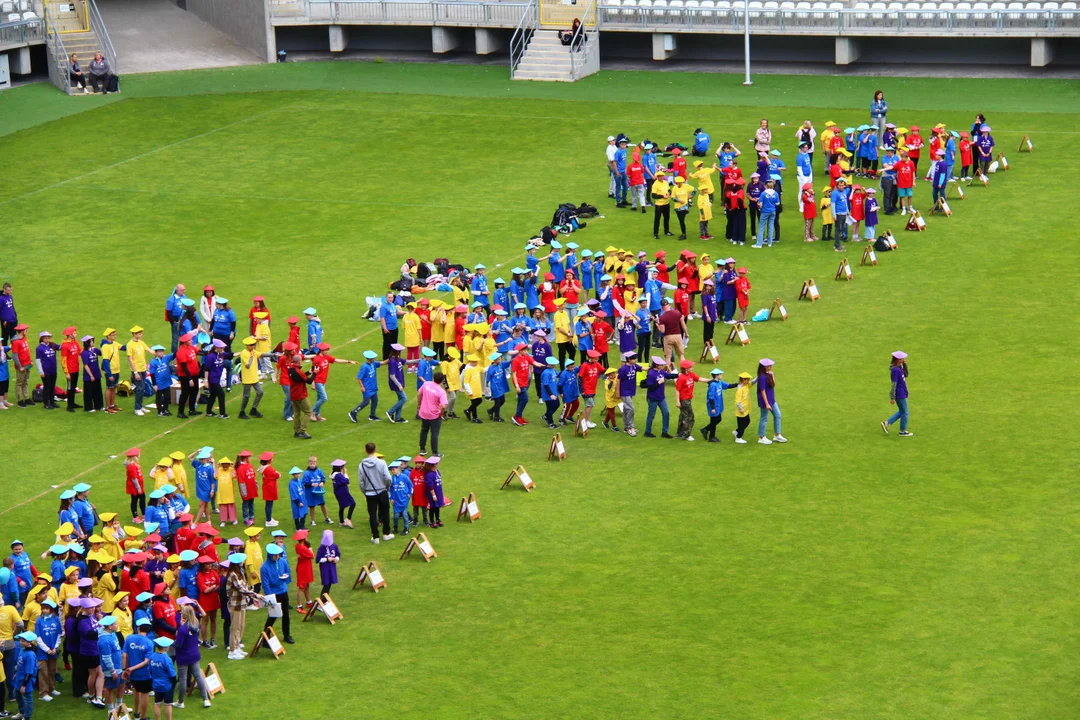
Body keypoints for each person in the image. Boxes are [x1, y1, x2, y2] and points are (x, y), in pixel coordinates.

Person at [357, 443, 394, 545]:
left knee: (372, 514)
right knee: (385, 512)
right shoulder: (382, 463)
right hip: (382, 490)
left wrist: (365, 492)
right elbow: (388, 478)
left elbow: (361, 482)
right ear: (375, 450)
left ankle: (375, 536)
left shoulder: (361, 465)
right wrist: (387, 486)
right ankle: (386, 534)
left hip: (370, 493)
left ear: (365, 450)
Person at [223, 554, 257, 660]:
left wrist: (250, 596)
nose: (243, 562)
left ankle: (237, 646)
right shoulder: (233, 575)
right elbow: (240, 588)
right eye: (242, 561)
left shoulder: (241, 572)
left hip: (242, 603)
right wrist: (254, 594)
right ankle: (232, 650)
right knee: (235, 628)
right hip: (235, 604)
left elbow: (245, 586)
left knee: (241, 626)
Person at [259, 544, 293, 645]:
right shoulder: (264, 567)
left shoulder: (282, 561)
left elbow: (287, 572)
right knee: (273, 616)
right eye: (275, 555)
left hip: (283, 591)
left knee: (286, 615)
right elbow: (265, 584)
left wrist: (285, 578)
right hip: (273, 594)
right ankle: (265, 637)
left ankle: (286, 635)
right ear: (270, 555)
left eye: (278, 555)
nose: (277, 557)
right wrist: (271, 598)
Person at [122, 617, 154, 717]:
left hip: (132, 674)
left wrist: (126, 669)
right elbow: (146, 661)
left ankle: (136, 713)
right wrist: (132, 668)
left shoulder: (129, 638)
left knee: (136, 691)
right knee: (145, 694)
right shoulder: (149, 643)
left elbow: (124, 656)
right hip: (145, 674)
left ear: (138, 628)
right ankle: (143, 717)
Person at [643, 356, 677, 439]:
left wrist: (678, 375)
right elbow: (650, 387)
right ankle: (647, 432)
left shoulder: (661, 371)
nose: (662, 366)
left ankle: (665, 432)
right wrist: (659, 382)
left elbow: (669, 376)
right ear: (656, 365)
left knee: (666, 413)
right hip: (653, 398)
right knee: (651, 415)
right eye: (661, 365)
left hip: (662, 398)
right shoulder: (651, 374)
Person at [882, 350, 913, 437]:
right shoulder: (895, 370)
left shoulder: (900, 367)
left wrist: (905, 365)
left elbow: (906, 375)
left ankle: (886, 423)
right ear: (898, 359)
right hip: (900, 394)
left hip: (902, 392)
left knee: (902, 411)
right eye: (902, 358)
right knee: (905, 413)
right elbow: (893, 384)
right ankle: (902, 431)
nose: (904, 359)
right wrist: (892, 397)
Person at [674, 359, 706, 441]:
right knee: (690, 417)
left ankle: (679, 433)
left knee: (683, 416)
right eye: (691, 367)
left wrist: (710, 380)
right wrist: (677, 401)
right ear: (686, 369)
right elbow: (677, 390)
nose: (692, 368)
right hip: (684, 400)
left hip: (688, 399)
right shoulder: (681, 378)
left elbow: (699, 379)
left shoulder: (691, 374)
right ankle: (686, 435)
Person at [756, 358, 786, 445]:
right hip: (766, 401)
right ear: (764, 367)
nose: (771, 366)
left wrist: (773, 376)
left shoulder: (769, 374)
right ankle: (761, 437)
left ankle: (777, 435)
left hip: (771, 400)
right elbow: (762, 391)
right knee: (764, 418)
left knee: (778, 415)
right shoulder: (762, 377)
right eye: (769, 365)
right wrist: (767, 404)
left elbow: (773, 385)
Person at [286, 354, 316, 439]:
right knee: (308, 411)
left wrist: (308, 372)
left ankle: (297, 431)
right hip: (300, 395)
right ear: (299, 361)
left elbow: (299, 378)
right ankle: (303, 431)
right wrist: (315, 374)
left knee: (296, 414)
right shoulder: (299, 372)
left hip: (293, 394)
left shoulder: (290, 369)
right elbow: (309, 381)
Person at [236, 337, 264, 420]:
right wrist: (251, 357)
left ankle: (254, 409)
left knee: (260, 392)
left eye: (254, 345)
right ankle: (241, 412)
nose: (253, 346)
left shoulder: (254, 352)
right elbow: (248, 366)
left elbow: (262, 354)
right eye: (252, 345)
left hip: (254, 378)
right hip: (247, 379)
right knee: (246, 396)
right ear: (247, 346)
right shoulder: (244, 353)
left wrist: (274, 354)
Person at [126, 325, 151, 416]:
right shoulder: (130, 344)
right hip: (137, 370)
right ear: (134, 334)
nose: (141, 335)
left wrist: (158, 353)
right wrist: (135, 372)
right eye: (139, 333)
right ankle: (137, 408)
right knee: (140, 389)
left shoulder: (141, 342)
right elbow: (130, 359)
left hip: (143, 368)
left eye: (141, 333)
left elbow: (149, 350)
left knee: (142, 387)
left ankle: (140, 406)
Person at [202, 339, 228, 418]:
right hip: (212, 379)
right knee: (221, 394)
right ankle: (222, 414)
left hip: (217, 378)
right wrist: (206, 381)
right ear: (217, 347)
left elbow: (231, 355)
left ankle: (209, 412)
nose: (223, 349)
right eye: (222, 348)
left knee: (213, 395)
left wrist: (243, 352)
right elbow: (206, 369)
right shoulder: (210, 357)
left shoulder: (221, 354)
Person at [656, 298, 685, 366]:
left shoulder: (662, 317)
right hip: (677, 335)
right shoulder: (677, 312)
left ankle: (668, 371)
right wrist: (686, 333)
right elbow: (682, 323)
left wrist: (658, 326)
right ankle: (684, 370)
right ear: (669, 305)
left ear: (662, 307)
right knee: (681, 355)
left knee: (668, 356)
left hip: (668, 337)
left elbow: (663, 331)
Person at [35, 331, 60, 410]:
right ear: (42, 339)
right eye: (46, 338)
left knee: (53, 386)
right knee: (47, 387)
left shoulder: (52, 345)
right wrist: (41, 371)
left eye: (48, 338)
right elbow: (38, 360)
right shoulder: (39, 348)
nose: (47, 340)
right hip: (45, 371)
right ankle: (46, 403)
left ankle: (52, 402)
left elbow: (62, 347)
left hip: (53, 369)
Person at [147, 344, 173, 417]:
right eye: (159, 352)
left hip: (166, 382)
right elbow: (152, 374)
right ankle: (160, 411)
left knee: (167, 397)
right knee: (159, 398)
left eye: (162, 351)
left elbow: (175, 354)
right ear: (156, 353)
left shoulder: (166, 358)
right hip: (159, 383)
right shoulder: (153, 362)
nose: (161, 353)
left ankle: (165, 409)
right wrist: (154, 384)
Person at [292, 530, 314, 614]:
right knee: (302, 588)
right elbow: (312, 555)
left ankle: (309, 602)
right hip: (304, 569)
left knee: (306, 586)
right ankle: (299, 606)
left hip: (303, 568)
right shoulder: (303, 548)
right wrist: (310, 548)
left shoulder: (298, 546)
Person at [329, 459, 355, 529]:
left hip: (337, 492)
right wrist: (345, 473)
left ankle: (341, 522)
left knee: (342, 506)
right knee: (353, 503)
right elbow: (346, 481)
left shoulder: (333, 474)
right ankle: (348, 519)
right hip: (343, 492)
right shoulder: (338, 475)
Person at [753, 179, 779, 249]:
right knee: (771, 226)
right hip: (773, 211)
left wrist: (759, 205)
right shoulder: (775, 193)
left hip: (765, 211)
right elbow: (778, 203)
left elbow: (760, 204)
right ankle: (769, 243)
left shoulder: (763, 194)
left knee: (761, 227)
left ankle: (759, 244)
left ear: (766, 186)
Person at [315, 530, 340, 598]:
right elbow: (318, 559)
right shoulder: (321, 548)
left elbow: (338, 555)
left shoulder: (334, 546)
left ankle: (326, 598)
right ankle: (322, 599)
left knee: (329, 584)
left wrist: (336, 559)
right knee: (326, 584)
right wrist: (327, 559)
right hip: (325, 568)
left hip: (332, 568)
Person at [423, 457, 445, 528]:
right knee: (432, 507)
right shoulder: (429, 475)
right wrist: (433, 495)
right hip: (433, 493)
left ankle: (438, 519)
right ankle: (432, 521)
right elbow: (430, 486)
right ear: (435, 464)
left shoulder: (436, 471)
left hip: (438, 491)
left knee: (437, 506)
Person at [651, 168, 672, 240]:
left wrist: (669, 193)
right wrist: (663, 196)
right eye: (659, 176)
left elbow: (669, 189)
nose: (661, 177)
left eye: (662, 176)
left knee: (667, 218)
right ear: (657, 177)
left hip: (666, 203)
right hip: (659, 204)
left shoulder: (665, 182)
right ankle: (655, 233)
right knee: (657, 219)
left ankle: (667, 231)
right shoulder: (655, 184)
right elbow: (653, 196)